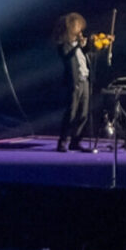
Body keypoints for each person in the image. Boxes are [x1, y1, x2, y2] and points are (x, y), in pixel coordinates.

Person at [54, 9, 91, 152]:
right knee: (71, 112)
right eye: (76, 27)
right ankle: (62, 141)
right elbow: (67, 55)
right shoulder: (64, 45)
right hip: (74, 82)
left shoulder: (78, 45)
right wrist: (77, 45)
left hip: (84, 80)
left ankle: (76, 141)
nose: (79, 30)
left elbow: (87, 53)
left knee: (83, 113)